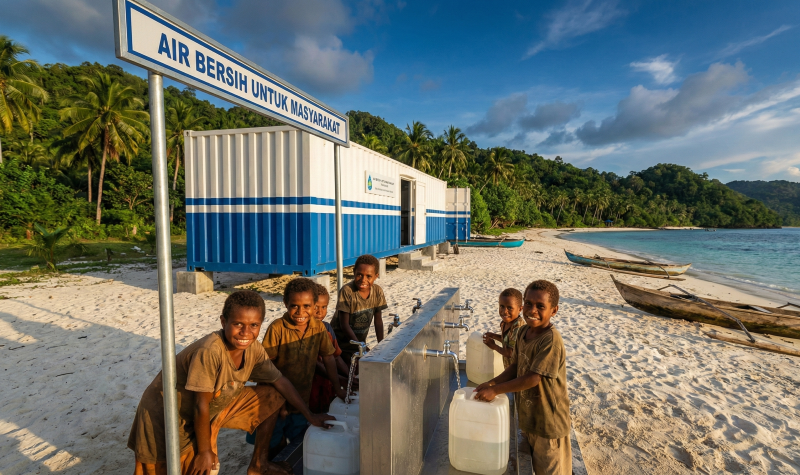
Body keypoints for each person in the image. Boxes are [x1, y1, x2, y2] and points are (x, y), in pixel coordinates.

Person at [127, 290, 333, 475]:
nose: (245, 333)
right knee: (181, 466)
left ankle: (259, 464)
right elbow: (200, 405)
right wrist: (205, 451)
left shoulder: (253, 349)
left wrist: (310, 415)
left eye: (253, 326)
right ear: (223, 322)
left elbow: (281, 381)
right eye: (238, 324)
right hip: (170, 415)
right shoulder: (209, 351)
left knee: (273, 394)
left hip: (215, 404)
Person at [474, 280, 572, 475]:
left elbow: (533, 378)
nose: (532, 310)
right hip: (530, 418)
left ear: (554, 311)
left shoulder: (551, 340)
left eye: (540, 306)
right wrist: (493, 382)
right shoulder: (523, 332)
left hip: (548, 424)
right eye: (528, 304)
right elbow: (515, 366)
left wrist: (495, 390)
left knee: (552, 469)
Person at [260, 278, 347, 451]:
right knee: (273, 442)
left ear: (314, 305)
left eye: (306, 306)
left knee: (298, 441)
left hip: (301, 400)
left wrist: (338, 388)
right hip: (274, 400)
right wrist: (281, 403)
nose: (300, 312)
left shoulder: (319, 328)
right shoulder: (277, 328)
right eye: (294, 306)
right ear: (285, 303)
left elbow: (329, 357)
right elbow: (267, 368)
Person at [331, 254, 388, 363]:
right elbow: (344, 325)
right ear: (354, 272)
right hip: (340, 344)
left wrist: (381, 345)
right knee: (350, 373)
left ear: (376, 276)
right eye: (359, 275)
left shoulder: (377, 291)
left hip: (359, 343)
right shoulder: (347, 291)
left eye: (368, 276)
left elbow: (378, 321)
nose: (363, 280)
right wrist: (360, 346)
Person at [309, 283, 353, 412]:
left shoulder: (327, 328)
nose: (320, 312)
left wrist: (349, 378)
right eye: (316, 307)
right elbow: (314, 364)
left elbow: (336, 356)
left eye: (324, 307)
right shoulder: (304, 331)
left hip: (327, 381)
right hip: (310, 383)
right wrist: (339, 381)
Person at [482, 287, 526, 369]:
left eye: (510, 308)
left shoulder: (518, 326)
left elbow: (510, 353)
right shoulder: (504, 323)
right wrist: (493, 336)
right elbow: (507, 341)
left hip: (518, 371)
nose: (505, 311)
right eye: (502, 306)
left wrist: (494, 346)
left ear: (520, 309)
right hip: (509, 369)